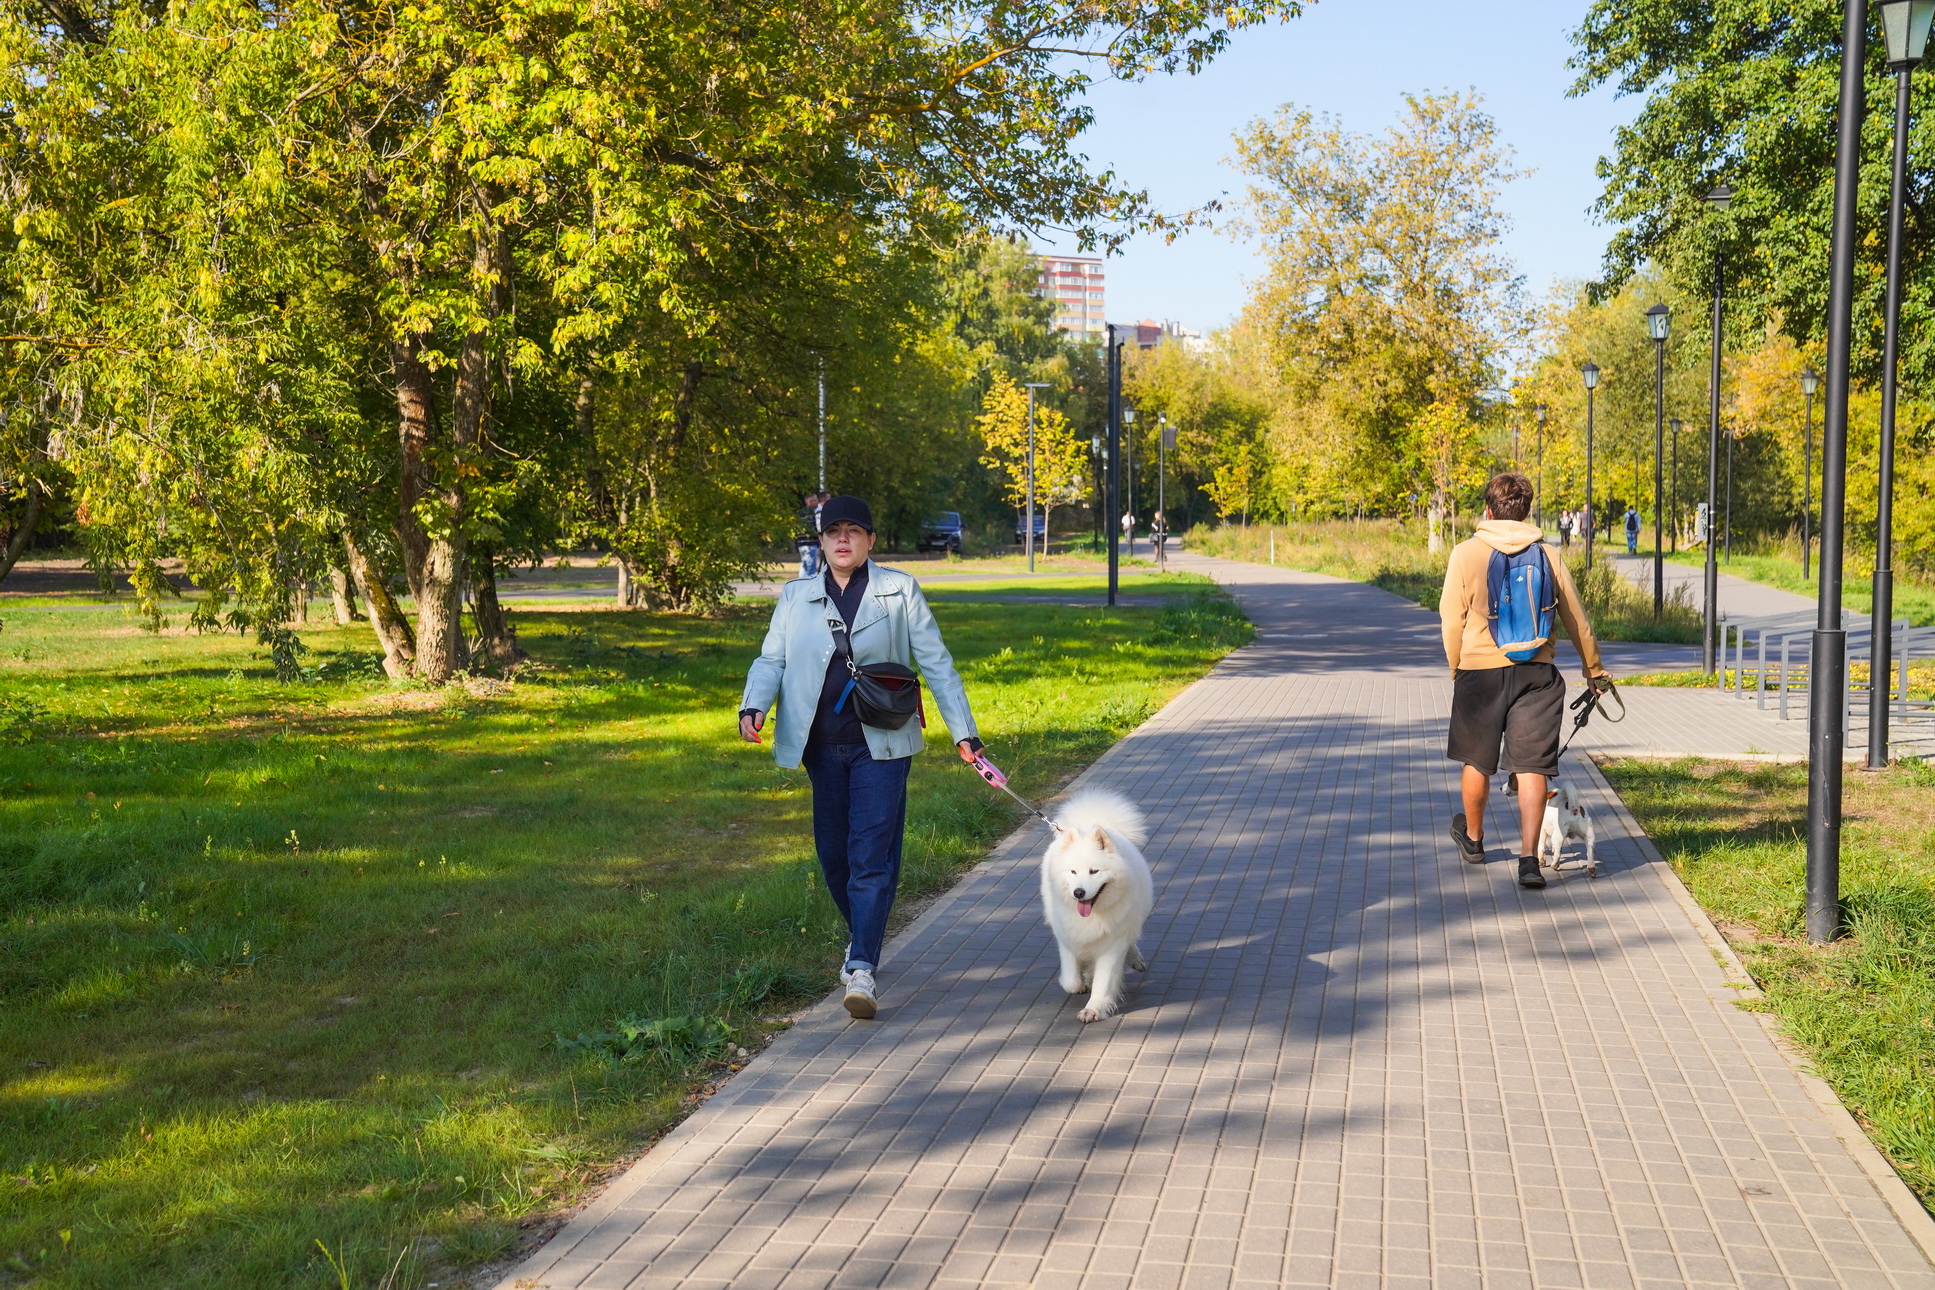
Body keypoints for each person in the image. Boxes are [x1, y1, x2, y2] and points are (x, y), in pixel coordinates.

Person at [739, 495, 982, 1018]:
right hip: (819, 745)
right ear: (821, 542)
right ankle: (864, 937)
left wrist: (964, 733)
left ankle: (863, 967)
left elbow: (937, 664)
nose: (843, 539)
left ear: (871, 541)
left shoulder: (899, 591)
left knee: (871, 854)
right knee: (834, 856)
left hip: (883, 743)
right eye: (833, 532)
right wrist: (753, 704)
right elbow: (771, 658)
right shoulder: (796, 596)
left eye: (854, 531)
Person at [1441, 472, 1613, 890]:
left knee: (1477, 761)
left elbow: (1451, 617)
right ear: (1526, 511)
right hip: (1537, 674)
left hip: (1479, 673)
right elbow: (1576, 617)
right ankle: (1529, 861)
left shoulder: (1465, 554)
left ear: (1488, 510)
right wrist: (1594, 671)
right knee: (1533, 767)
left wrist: (1457, 667)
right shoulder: (1548, 555)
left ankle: (1475, 840)